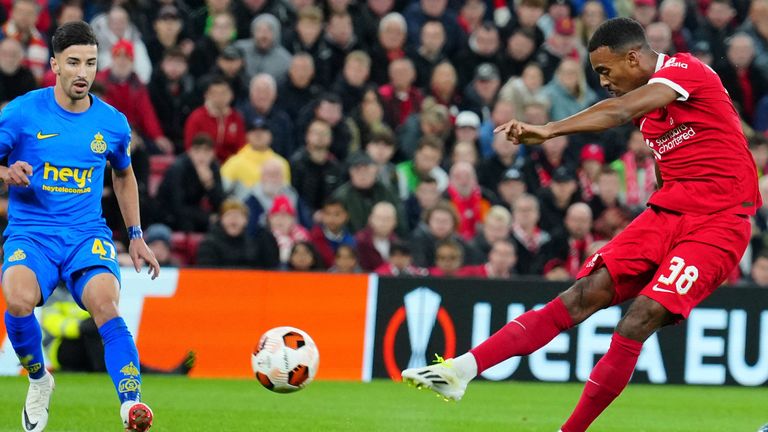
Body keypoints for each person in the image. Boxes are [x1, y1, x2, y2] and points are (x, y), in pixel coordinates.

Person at [401, 18, 761, 432]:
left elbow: (620, 109)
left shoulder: (684, 70)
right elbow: (667, 168)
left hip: (719, 222)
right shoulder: (650, 116)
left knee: (638, 317)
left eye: (606, 71)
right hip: (667, 214)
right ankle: (461, 370)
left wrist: (550, 129)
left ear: (633, 57)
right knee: (582, 294)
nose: (604, 81)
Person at [0, 22, 160, 432]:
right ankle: (38, 379)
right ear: (55, 64)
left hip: (86, 235)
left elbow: (123, 175)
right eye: (73, 62)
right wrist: (5, 171)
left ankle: (131, 403)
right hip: (31, 233)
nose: (82, 72)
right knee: (17, 301)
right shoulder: (21, 112)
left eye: (90, 62)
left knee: (106, 304)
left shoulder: (112, 123)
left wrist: (136, 235)